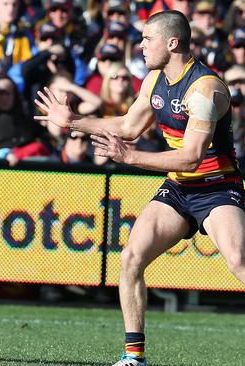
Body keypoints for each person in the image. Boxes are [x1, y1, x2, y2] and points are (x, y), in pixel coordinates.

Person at [34, 11, 245, 366]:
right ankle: (134, 357)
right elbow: (129, 125)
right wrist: (73, 122)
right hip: (179, 189)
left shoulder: (205, 88)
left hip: (217, 187)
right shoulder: (153, 80)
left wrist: (129, 158)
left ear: (172, 43)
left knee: (239, 260)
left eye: (148, 39)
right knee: (131, 258)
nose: (141, 46)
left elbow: (191, 158)